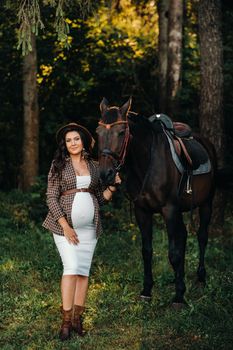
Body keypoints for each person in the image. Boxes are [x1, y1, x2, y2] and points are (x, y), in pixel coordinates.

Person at [42, 122, 121, 341]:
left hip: (89, 230)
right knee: (71, 267)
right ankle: (65, 322)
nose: (73, 143)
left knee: (83, 272)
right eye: (68, 140)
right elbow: (50, 197)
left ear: (83, 141)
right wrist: (66, 227)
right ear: (64, 145)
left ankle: (77, 320)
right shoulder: (58, 165)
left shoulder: (95, 166)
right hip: (63, 228)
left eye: (76, 139)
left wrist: (112, 187)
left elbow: (98, 199)